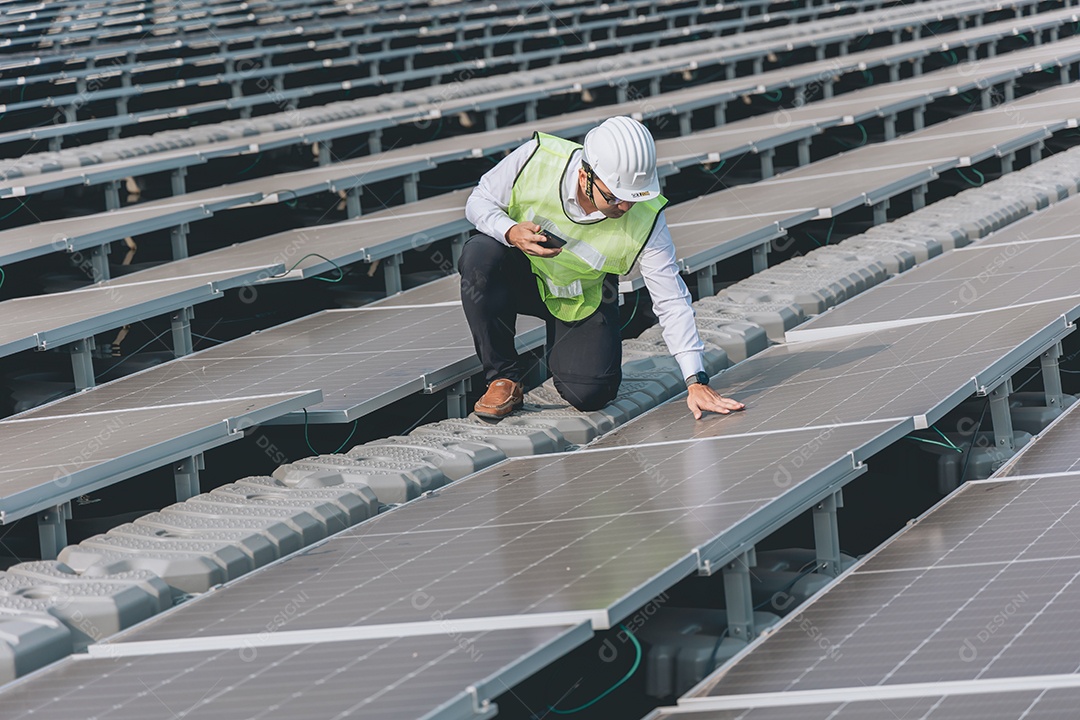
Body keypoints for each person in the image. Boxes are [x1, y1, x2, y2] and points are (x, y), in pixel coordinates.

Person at [459, 115, 745, 421]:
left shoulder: (647, 219)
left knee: (591, 393)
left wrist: (695, 380)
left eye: (633, 200)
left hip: (582, 295)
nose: (624, 208)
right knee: (480, 256)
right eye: (615, 198)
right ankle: (503, 377)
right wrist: (510, 232)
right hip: (521, 279)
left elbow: (671, 299)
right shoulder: (536, 158)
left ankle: (568, 352)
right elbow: (479, 201)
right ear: (585, 176)